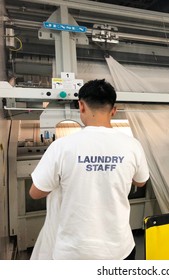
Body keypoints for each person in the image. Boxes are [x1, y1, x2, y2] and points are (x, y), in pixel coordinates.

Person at [29, 79, 149, 260]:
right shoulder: (132, 146)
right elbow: (141, 181)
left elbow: (35, 193)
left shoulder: (62, 146)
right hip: (119, 250)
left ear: (81, 106)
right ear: (114, 111)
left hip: (74, 252)